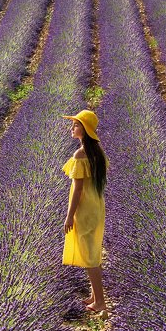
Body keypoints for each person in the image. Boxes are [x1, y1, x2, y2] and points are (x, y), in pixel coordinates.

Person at [61, 109, 108, 314]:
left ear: (85, 130)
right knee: (93, 252)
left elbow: (78, 190)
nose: (72, 128)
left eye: (76, 125)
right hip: (97, 206)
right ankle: (94, 296)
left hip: (85, 209)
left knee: (90, 257)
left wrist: (69, 216)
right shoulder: (98, 152)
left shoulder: (80, 154)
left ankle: (100, 303)